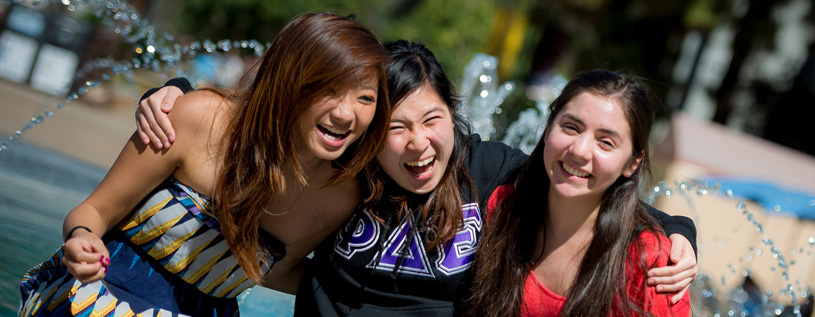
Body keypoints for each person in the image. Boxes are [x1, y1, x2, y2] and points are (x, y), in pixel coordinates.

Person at [136, 41, 698, 315]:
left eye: (432, 120)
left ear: (452, 116)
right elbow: (260, 117)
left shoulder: (489, 171)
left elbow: (586, 184)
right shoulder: (344, 171)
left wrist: (680, 230)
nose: (417, 143)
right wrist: (175, 91)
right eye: (395, 126)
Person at [19, 12, 390, 316]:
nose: (345, 113)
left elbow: (277, 275)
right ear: (288, 81)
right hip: (98, 302)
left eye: (365, 97)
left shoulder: (338, 196)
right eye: (327, 89)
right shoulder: (199, 119)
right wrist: (82, 238)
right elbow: (95, 210)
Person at [467, 69, 691, 316]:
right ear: (549, 125)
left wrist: (681, 227)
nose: (580, 150)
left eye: (606, 142)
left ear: (632, 163)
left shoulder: (651, 264)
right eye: (571, 127)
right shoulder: (499, 207)